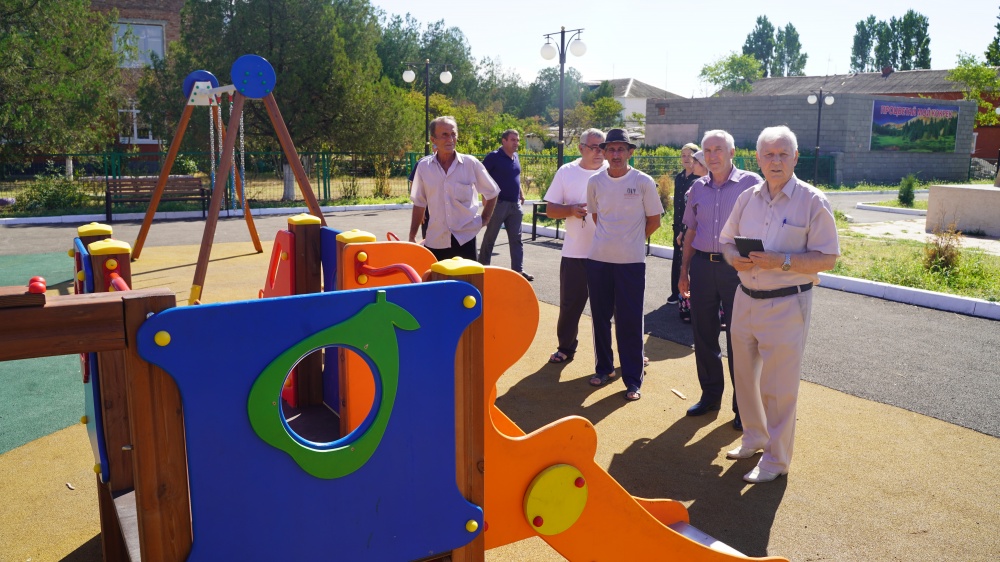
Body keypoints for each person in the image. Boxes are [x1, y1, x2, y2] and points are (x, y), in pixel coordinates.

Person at [719, 126, 839, 483]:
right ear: (757, 158)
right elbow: (726, 241)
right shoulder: (747, 198)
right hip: (745, 298)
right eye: (769, 154)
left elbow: (828, 258)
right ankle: (754, 437)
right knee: (744, 378)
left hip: (787, 302)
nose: (776, 161)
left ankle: (776, 460)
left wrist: (781, 261)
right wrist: (733, 258)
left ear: (795, 157)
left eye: (783, 154)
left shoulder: (812, 200)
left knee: (779, 388)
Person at [678, 130, 761, 429]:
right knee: (703, 334)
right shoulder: (697, 187)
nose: (712, 156)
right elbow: (691, 231)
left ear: (732, 152)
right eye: (707, 150)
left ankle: (744, 408)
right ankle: (710, 396)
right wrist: (684, 271)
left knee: (740, 339)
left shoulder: (752, 184)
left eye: (719, 149)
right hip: (702, 267)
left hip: (736, 269)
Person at [585, 128, 663, 401]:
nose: (616, 154)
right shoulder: (595, 182)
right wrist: (613, 239)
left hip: (631, 263)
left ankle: (632, 379)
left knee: (629, 321)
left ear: (630, 152)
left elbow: (655, 220)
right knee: (600, 319)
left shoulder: (643, 181)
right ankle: (604, 368)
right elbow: (596, 216)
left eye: (621, 149)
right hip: (598, 260)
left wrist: (631, 241)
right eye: (611, 149)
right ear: (604, 153)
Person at [542, 128, 608, 364]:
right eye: (593, 147)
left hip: (609, 253)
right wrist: (570, 209)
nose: (599, 152)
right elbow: (550, 209)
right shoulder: (566, 171)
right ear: (581, 148)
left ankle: (631, 352)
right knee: (570, 305)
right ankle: (565, 348)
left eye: (602, 147)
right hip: (575, 252)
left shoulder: (613, 171)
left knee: (617, 308)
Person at [409, 116, 499, 261]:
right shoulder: (424, 167)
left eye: (453, 134)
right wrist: (412, 236)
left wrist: (485, 219)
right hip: (436, 240)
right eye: (444, 135)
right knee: (437, 276)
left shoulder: (470, 164)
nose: (450, 139)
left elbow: (492, 192)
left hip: (465, 239)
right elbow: (419, 203)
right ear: (433, 139)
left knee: (467, 276)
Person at [478, 129, 533, 281]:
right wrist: (485, 196)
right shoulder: (494, 157)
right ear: (504, 141)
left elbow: (515, 176)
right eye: (513, 140)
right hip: (498, 204)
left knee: (517, 239)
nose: (516, 143)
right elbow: (481, 177)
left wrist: (521, 192)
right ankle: (483, 268)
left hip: (515, 205)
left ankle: (518, 271)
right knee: (490, 238)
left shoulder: (516, 157)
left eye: (518, 140)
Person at [676, 149, 710, 324]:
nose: (692, 163)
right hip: (689, 232)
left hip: (702, 237)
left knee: (699, 273)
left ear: (703, 165)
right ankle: (687, 306)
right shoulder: (695, 184)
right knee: (687, 270)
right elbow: (688, 215)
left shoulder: (709, 186)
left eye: (696, 161)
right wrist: (682, 231)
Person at [668, 142, 701, 306]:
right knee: (677, 259)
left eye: (690, 155)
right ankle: (676, 292)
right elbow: (677, 205)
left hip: (692, 227)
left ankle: (691, 294)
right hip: (678, 226)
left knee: (691, 260)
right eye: (683, 155)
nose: (686, 158)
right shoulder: (679, 178)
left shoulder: (699, 179)